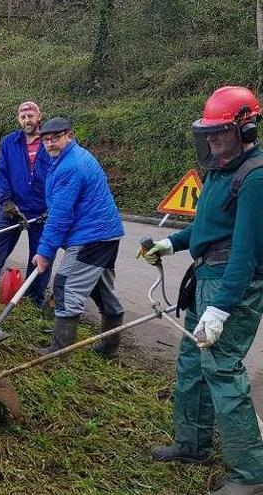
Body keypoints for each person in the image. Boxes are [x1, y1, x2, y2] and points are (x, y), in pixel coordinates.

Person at [141, 86, 263, 495]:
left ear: (245, 130)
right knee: (192, 364)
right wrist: (171, 243)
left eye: (219, 132)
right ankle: (191, 444)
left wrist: (222, 308)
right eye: (206, 133)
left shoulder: (255, 177)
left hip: (233, 284)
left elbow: (245, 249)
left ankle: (250, 475)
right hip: (206, 277)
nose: (211, 140)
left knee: (222, 370)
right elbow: (209, 227)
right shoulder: (219, 169)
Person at [31, 117, 125, 357]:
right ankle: (108, 349)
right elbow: (64, 204)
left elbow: (61, 216)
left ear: (69, 136)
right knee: (100, 288)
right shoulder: (73, 157)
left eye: (56, 138)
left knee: (65, 285)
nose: (50, 144)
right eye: (46, 140)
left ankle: (59, 350)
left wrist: (44, 252)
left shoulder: (70, 165)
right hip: (106, 234)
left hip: (91, 237)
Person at [0, 101, 52, 306]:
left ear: (39, 116)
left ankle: (34, 298)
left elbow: (59, 176)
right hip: (13, 207)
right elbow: (2, 173)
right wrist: (6, 202)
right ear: (18, 119)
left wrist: (54, 207)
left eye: (31, 116)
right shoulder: (9, 142)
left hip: (42, 210)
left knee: (41, 254)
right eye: (23, 117)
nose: (27, 120)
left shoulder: (50, 142)